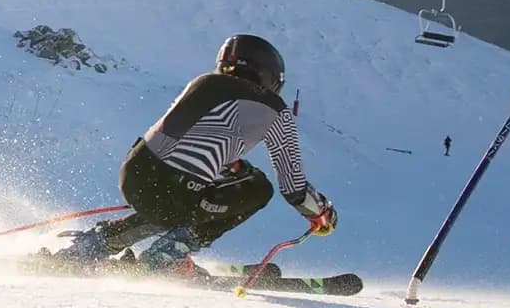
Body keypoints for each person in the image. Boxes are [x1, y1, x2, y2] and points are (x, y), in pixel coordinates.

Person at [56, 34, 337, 272]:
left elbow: (185, 140)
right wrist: (320, 213)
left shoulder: (203, 83)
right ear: (272, 75)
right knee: (258, 188)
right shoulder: (277, 110)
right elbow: (294, 189)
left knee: (174, 201)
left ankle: (95, 245)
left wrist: (223, 167)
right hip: (176, 192)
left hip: (134, 173)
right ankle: (168, 255)